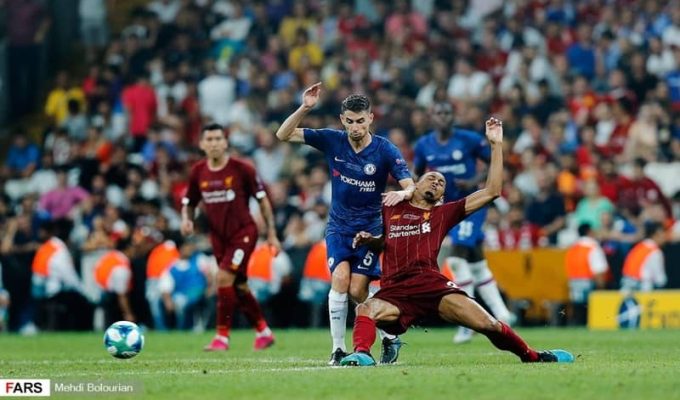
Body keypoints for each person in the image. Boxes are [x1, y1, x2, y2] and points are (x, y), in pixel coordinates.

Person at [341, 118, 574, 366]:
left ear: (442, 197)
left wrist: (496, 146)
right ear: (414, 184)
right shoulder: (390, 207)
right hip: (395, 291)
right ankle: (362, 355)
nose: (436, 182)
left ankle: (534, 356)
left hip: (432, 287)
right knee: (364, 309)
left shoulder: (444, 213)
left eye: (441, 183)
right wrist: (371, 240)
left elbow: (492, 191)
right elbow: (385, 241)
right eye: (431, 177)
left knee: (488, 324)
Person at [275, 82, 415, 365]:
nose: (355, 127)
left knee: (357, 291)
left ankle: (389, 338)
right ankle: (338, 349)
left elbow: (410, 185)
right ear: (342, 120)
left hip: (370, 229)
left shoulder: (385, 150)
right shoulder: (332, 140)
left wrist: (402, 192)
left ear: (371, 118)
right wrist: (305, 107)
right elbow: (283, 134)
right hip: (338, 227)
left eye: (360, 121)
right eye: (349, 121)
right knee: (339, 280)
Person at [414, 101, 514, 344]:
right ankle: (502, 313)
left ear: (453, 116)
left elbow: (495, 161)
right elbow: (417, 176)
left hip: (471, 205)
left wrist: (475, 180)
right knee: (477, 263)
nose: (443, 116)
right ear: (432, 116)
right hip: (445, 209)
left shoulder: (468, 139)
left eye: (447, 112)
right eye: (438, 112)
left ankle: (468, 322)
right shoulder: (423, 145)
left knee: (456, 259)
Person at [182, 123, 281, 351]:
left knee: (224, 278)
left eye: (219, 138)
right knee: (240, 285)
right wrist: (186, 219)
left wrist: (272, 234)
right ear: (202, 144)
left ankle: (221, 337)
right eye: (210, 139)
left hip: (243, 233)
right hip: (218, 237)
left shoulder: (242, 169)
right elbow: (189, 202)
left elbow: (262, 200)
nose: (215, 143)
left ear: (225, 143)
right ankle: (263, 332)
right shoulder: (198, 171)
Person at [564, 223, 609, 325]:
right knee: (587, 316)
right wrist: (602, 290)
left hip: (574, 285)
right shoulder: (593, 247)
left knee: (577, 313)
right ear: (589, 232)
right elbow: (599, 270)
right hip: (588, 285)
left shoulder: (572, 248)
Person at [620, 221, 668, 292]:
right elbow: (660, 280)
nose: (665, 238)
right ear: (655, 235)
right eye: (663, 234)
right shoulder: (655, 251)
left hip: (626, 288)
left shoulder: (638, 247)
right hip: (643, 291)